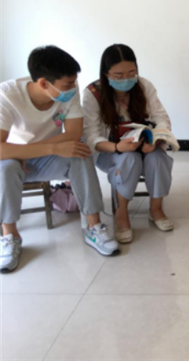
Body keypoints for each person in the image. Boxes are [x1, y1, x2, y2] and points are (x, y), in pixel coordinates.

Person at [0, 46, 119, 273]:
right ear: (44, 83)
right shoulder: (7, 95)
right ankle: (9, 235)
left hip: (41, 155)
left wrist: (35, 151)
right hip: (15, 158)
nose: (73, 88)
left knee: (80, 152)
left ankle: (94, 226)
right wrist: (34, 150)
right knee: (5, 167)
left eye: (74, 82)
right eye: (67, 84)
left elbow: (73, 134)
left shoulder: (68, 92)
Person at [83, 44, 174, 244]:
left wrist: (155, 140)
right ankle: (121, 214)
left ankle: (156, 209)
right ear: (105, 74)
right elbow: (91, 136)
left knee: (158, 158)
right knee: (129, 159)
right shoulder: (93, 93)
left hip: (143, 144)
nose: (126, 79)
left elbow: (161, 118)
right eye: (118, 75)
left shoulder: (143, 86)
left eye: (131, 73)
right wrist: (117, 147)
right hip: (110, 150)